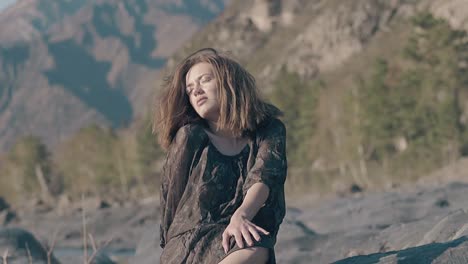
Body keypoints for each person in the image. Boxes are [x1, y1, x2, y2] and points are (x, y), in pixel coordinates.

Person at [153, 48, 287, 264]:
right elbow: (170, 203)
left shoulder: (270, 130)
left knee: (253, 246)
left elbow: (265, 176)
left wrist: (241, 215)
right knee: (251, 247)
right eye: (189, 89)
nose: (196, 91)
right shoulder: (190, 137)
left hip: (244, 232)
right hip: (191, 243)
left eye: (204, 80)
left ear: (229, 82)